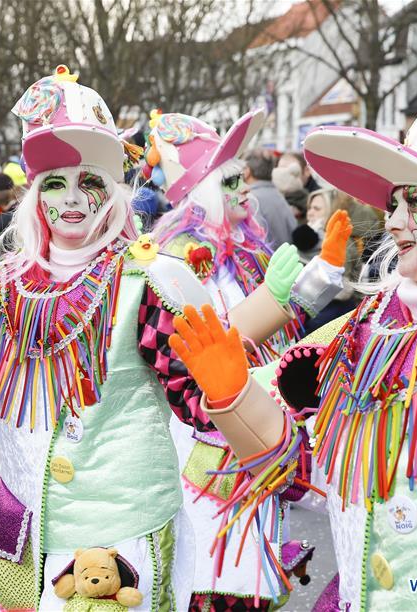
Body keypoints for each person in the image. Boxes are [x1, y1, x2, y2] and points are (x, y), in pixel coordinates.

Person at [170, 85, 417, 611]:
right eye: (394, 202)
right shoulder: (367, 326)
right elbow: (303, 464)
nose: (394, 221)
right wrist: (236, 396)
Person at [0, 66, 229, 611]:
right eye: (54, 183)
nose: (70, 199)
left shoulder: (150, 282)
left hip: (119, 539)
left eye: (88, 182)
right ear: (34, 195)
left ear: (113, 194)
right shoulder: (1, 289)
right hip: (23, 533)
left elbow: (211, 411)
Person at [145, 109, 351, 609]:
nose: (245, 188)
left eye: (243, 175)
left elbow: (277, 326)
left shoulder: (241, 250)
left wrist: (321, 273)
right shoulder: (175, 258)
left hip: (254, 420)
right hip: (203, 436)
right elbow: (196, 349)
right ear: (203, 192)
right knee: (221, 569)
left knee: (252, 563)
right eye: (231, 179)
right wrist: (274, 302)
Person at [244, 149, 297, 248]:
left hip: (270, 261)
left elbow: (258, 243)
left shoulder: (251, 199)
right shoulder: (278, 194)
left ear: (247, 171)